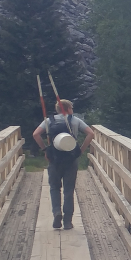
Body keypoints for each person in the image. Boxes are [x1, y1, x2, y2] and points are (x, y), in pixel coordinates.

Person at [33, 99, 95, 230]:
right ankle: (68, 221)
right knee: (69, 190)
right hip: (71, 159)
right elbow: (91, 133)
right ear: (68, 109)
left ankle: (57, 212)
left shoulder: (49, 121)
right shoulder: (75, 120)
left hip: (55, 159)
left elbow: (36, 134)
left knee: (55, 188)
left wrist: (45, 150)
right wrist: (81, 149)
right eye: (71, 108)